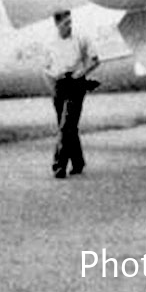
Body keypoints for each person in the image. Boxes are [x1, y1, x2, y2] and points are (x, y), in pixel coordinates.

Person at [44, 10, 100, 178]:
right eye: (65, 23)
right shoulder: (50, 43)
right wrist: (53, 85)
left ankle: (59, 165)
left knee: (66, 126)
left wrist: (81, 72)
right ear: (57, 24)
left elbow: (95, 60)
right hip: (60, 83)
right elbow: (46, 68)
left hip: (76, 82)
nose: (69, 26)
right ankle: (78, 162)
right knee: (68, 126)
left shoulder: (81, 38)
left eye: (70, 22)